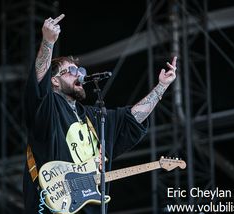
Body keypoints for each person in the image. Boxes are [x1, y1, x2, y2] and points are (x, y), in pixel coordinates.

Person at [23, 14, 177, 214]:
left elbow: (131, 119)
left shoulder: (93, 117)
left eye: (80, 70)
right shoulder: (49, 109)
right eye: (71, 70)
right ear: (54, 81)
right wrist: (48, 41)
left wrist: (161, 87)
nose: (79, 74)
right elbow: (38, 84)